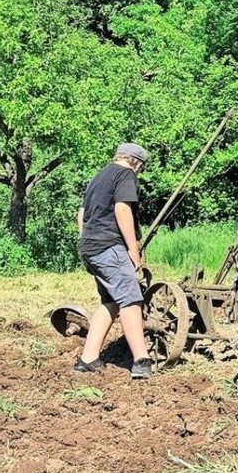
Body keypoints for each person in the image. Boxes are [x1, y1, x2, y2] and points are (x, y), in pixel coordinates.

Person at [74, 143, 153, 379]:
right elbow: (122, 210)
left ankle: (88, 359)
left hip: (90, 247)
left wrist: (87, 240)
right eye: (141, 168)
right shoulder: (125, 174)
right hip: (110, 245)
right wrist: (133, 249)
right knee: (130, 297)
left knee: (111, 300)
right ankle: (141, 360)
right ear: (137, 163)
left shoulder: (99, 177)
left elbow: (81, 213)